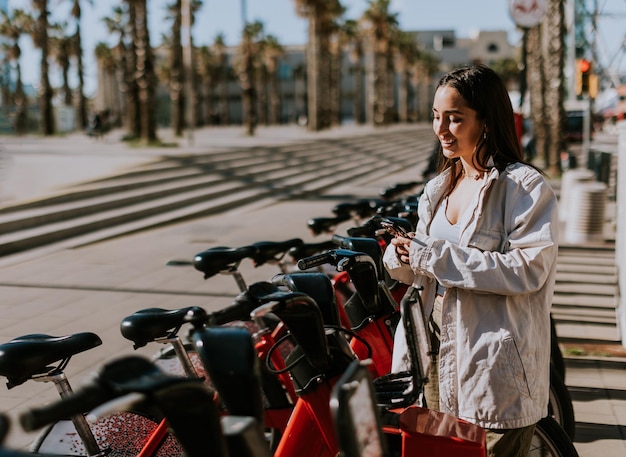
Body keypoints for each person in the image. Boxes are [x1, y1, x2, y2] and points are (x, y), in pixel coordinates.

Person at [383, 64, 559, 457]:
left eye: (455, 118)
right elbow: (422, 273)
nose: (441, 129)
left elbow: (528, 269)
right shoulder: (437, 188)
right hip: (434, 357)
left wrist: (433, 256)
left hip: (493, 371)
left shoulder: (523, 188)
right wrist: (400, 256)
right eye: (436, 116)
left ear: (486, 121)